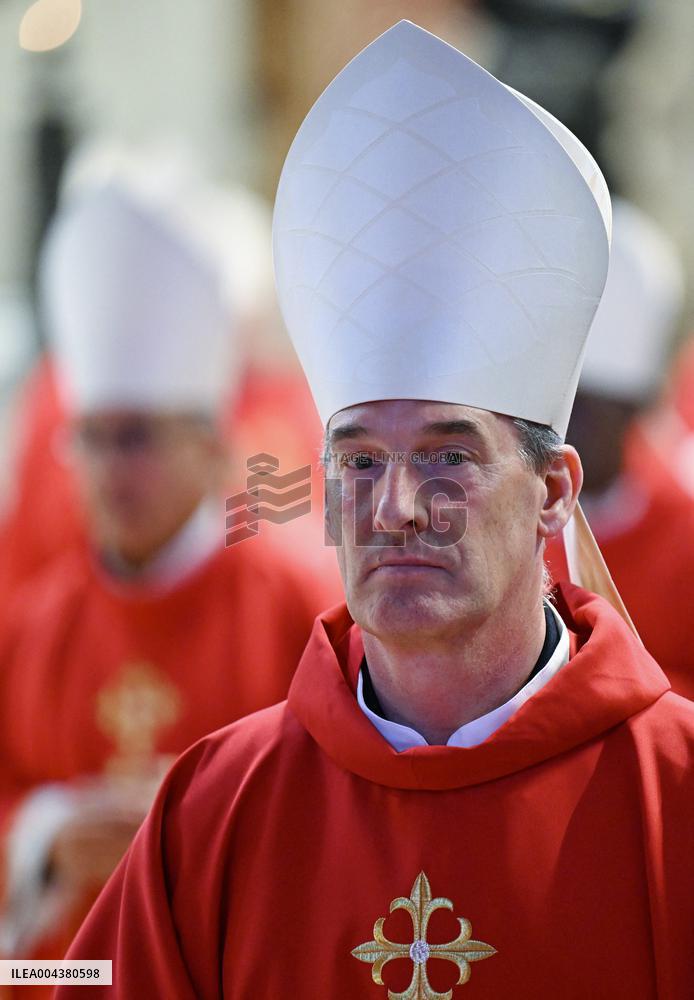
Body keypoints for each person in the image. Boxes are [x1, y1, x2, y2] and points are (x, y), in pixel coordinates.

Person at [57, 22, 694, 998]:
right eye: (357, 461)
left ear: (553, 493)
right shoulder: (214, 809)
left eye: (447, 456)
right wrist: (30, 865)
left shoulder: (673, 799)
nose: (394, 507)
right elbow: (58, 977)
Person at [0, 166, 329, 980]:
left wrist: (199, 819)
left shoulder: (298, 606)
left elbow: (345, 810)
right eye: (93, 438)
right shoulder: (31, 625)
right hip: (64, 980)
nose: (113, 471)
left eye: (139, 437)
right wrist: (45, 839)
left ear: (214, 444)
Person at [556, 199, 694, 698]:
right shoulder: (506, 528)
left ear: (638, 406)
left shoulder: (685, 536)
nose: (571, 423)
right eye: (564, 402)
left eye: (594, 406)